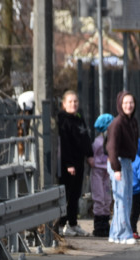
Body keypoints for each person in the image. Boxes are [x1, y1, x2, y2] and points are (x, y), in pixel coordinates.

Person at [56, 90, 93, 237]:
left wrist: (89, 155)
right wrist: (69, 164)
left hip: (79, 162)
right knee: (66, 195)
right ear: (64, 104)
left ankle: (72, 224)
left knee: (76, 195)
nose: (73, 104)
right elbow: (64, 145)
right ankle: (60, 224)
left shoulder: (79, 118)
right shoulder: (63, 120)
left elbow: (85, 138)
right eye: (70, 101)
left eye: (75, 101)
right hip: (68, 165)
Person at [106, 90, 139, 245]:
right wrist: (116, 168)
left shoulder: (132, 122)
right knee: (122, 200)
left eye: (131, 102)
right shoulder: (117, 123)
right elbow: (111, 147)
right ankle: (124, 234)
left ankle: (115, 233)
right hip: (118, 162)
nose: (128, 105)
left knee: (125, 200)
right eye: (125, 103)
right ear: (120, 104)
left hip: (127, 161)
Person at [88, 113, 114, 238]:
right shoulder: (98, 142)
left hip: (107, 171)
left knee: (107, 197)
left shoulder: (110, 141)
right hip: (98, 171)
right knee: (99, 197)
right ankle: (99, 226)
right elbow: (93, 155)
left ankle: (105, 223)